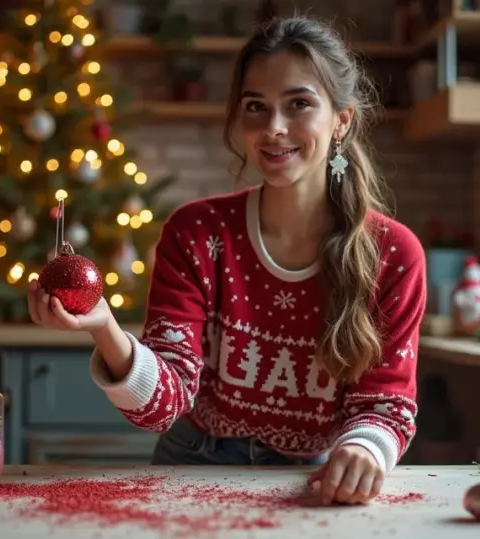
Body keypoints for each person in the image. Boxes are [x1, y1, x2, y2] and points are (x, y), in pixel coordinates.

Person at [28, 15, 427, 506]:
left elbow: (385, 404)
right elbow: (165, 405)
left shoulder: (393, 254)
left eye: (299, 104)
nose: (274, 128)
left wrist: (365, 450)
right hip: (192, 462)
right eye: (255, 107)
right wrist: (103, 326)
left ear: (341, 119)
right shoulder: (196, 234)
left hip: (315, 479)